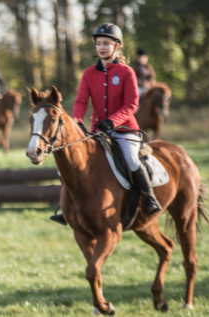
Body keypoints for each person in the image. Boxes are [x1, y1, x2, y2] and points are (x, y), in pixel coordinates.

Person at [50, 23, 161, 225]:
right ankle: (67, 208)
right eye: (98, 43)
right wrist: (76, 120)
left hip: (125, 130)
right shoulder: (88, 74)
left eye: (106, 43)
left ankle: (149, 197)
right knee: (67, 165)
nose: (101, 47)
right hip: (97, 132)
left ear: (117, 46)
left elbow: (131, 105)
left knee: (131, 159)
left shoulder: (127, 72)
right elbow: (81, 101)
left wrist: (112, 122)